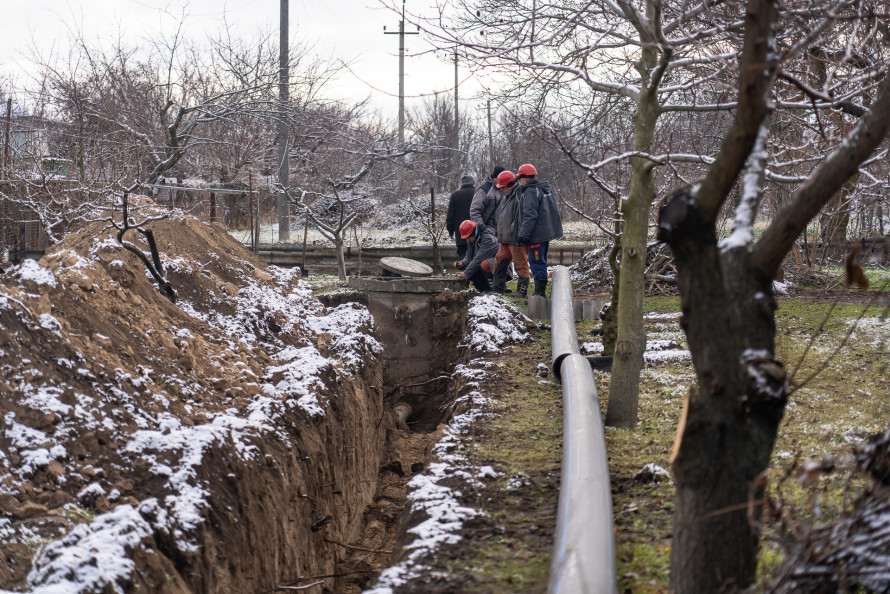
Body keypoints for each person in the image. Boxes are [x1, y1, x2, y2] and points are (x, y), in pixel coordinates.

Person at [516, 164, 564, 297]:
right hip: (544, 233)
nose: (519, 181)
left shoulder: (531, 192)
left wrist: (523, 234)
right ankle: (540, 291)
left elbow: (530, 215)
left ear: (525, 178)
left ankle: (539, 293)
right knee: (540, 261)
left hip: (536, 235)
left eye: (520, 178)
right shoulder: (543, 189)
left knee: (536, 262)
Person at [492, 170, 531, 297]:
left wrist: (514, 230)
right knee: (499, 260)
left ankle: (522, 291)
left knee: (520, 263)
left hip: (515, 238)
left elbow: (523, 216)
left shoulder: (520, 195)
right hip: (506, 238)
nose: (501, 190)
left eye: (502, 187)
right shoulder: (508, 196)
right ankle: (498, 287)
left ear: (508, 185)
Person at [453, 219, 498, 292]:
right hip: (486, 263)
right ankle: (485, 290)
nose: (467, 240)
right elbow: (468, 257)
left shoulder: (487, 239)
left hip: (499, 266)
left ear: (473, 233)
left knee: (480, 265)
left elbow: (478, 259)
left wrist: (466, 273)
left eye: (468, 237)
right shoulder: (472, 239)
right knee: (472, 269)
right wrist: (462, 263)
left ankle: (493, 287)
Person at [446, 175, 476, 260]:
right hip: (475, 232)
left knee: (462, 256)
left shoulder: (455, 195)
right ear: (473, 183)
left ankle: (463, 272)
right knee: (476, 256)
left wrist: (450, 230)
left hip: (461, 233)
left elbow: (450, 215)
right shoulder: (478, 193)